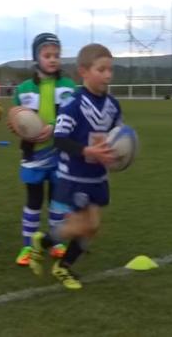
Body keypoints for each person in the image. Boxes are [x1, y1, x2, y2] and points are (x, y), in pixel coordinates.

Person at [28, 43, 121, 290]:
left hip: (97, 176)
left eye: (110, 70)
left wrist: (117, 155)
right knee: (83, 225)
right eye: (101, 70)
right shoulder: (74, 104)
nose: (108, 75)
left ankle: (59, 261)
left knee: (93, 227)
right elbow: (59, 139)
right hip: (74, 176)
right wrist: (87, 151)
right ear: (84, 72)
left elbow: (116, 137)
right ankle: (47, 247)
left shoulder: (113, 105)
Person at [9, 33, 76, 266]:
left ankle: (56, 241)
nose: (53, 59)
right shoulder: (24, 89)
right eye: (47, 55)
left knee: (58, 201)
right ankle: (28, 245)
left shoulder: (68, 86)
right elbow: (16, 120)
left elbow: (74, 116)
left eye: (56, 55)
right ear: (36, 57)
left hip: (61, 154)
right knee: (34, 200)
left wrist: (54, 127)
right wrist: (19, 127)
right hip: (33, 155)